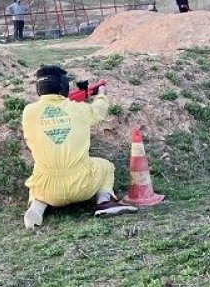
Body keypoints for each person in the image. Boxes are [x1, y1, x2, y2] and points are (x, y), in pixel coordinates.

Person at [21, 65, 137, 228]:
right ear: (63, 86)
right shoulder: (80, 110)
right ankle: (104, 201)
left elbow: (54, 110)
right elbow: (99, 110)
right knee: (106, 167)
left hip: (48, 190)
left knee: (37, 176)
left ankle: (36, 208)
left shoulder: (28, 112)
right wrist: (101, 94)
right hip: (82, 186)